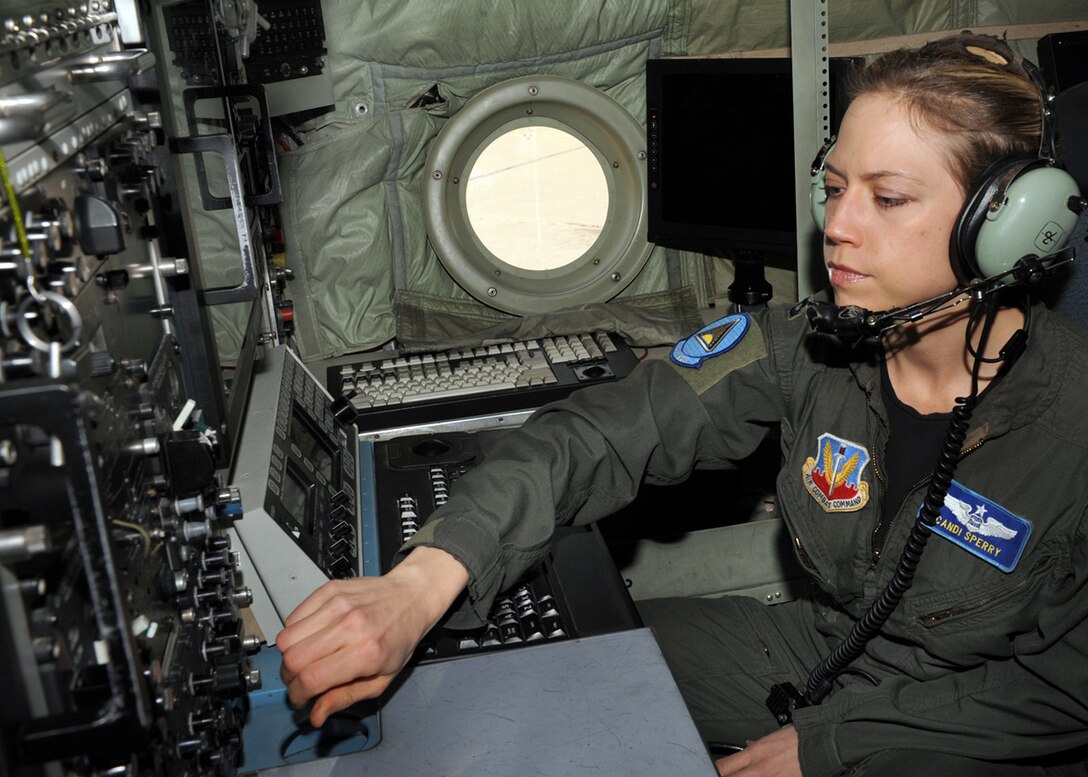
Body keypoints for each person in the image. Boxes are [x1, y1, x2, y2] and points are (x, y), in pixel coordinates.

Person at [276, 33, 1088, 777]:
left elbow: (1061, 690)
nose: (836, 224)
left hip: (977, 716)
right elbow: (594, 434)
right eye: (834, 186)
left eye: (889, 198)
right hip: (828, 644)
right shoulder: (804, 347)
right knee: (558, 672)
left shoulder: (1074, 424)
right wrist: (419, 583)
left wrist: (831, 746)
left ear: (1007, 228)